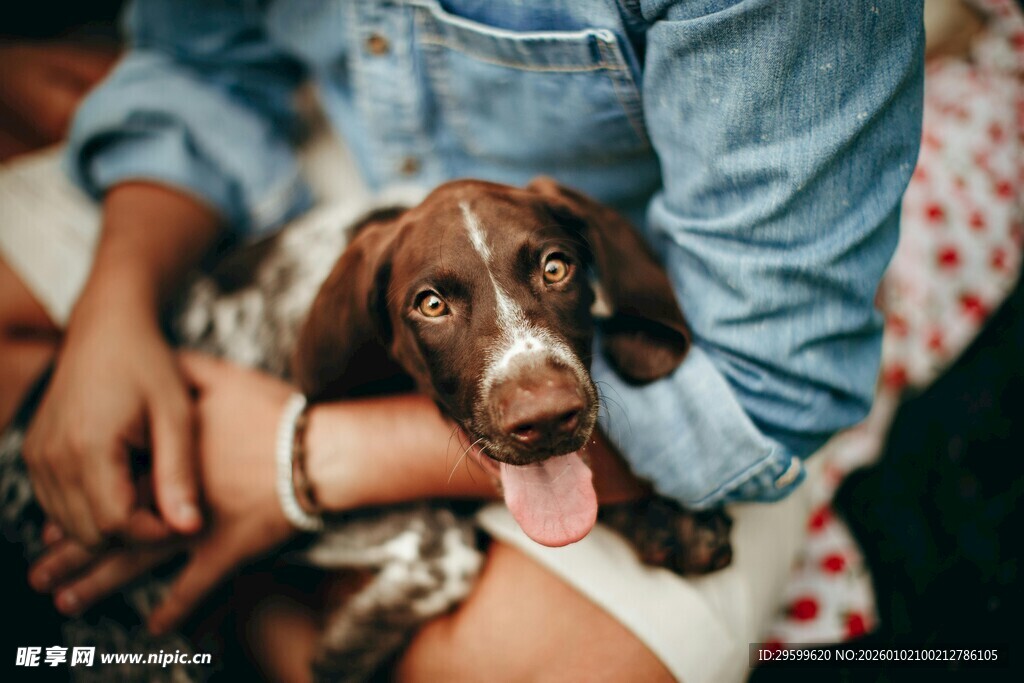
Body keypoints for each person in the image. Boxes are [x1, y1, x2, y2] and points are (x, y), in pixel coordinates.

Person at [0, 1, 925, 680]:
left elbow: (770, 380)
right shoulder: (357, 282)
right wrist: (108, 324)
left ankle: (249, 599)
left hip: (667, 255)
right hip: (327, 185)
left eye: (553, 272)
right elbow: (202, 71)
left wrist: (295, 462)